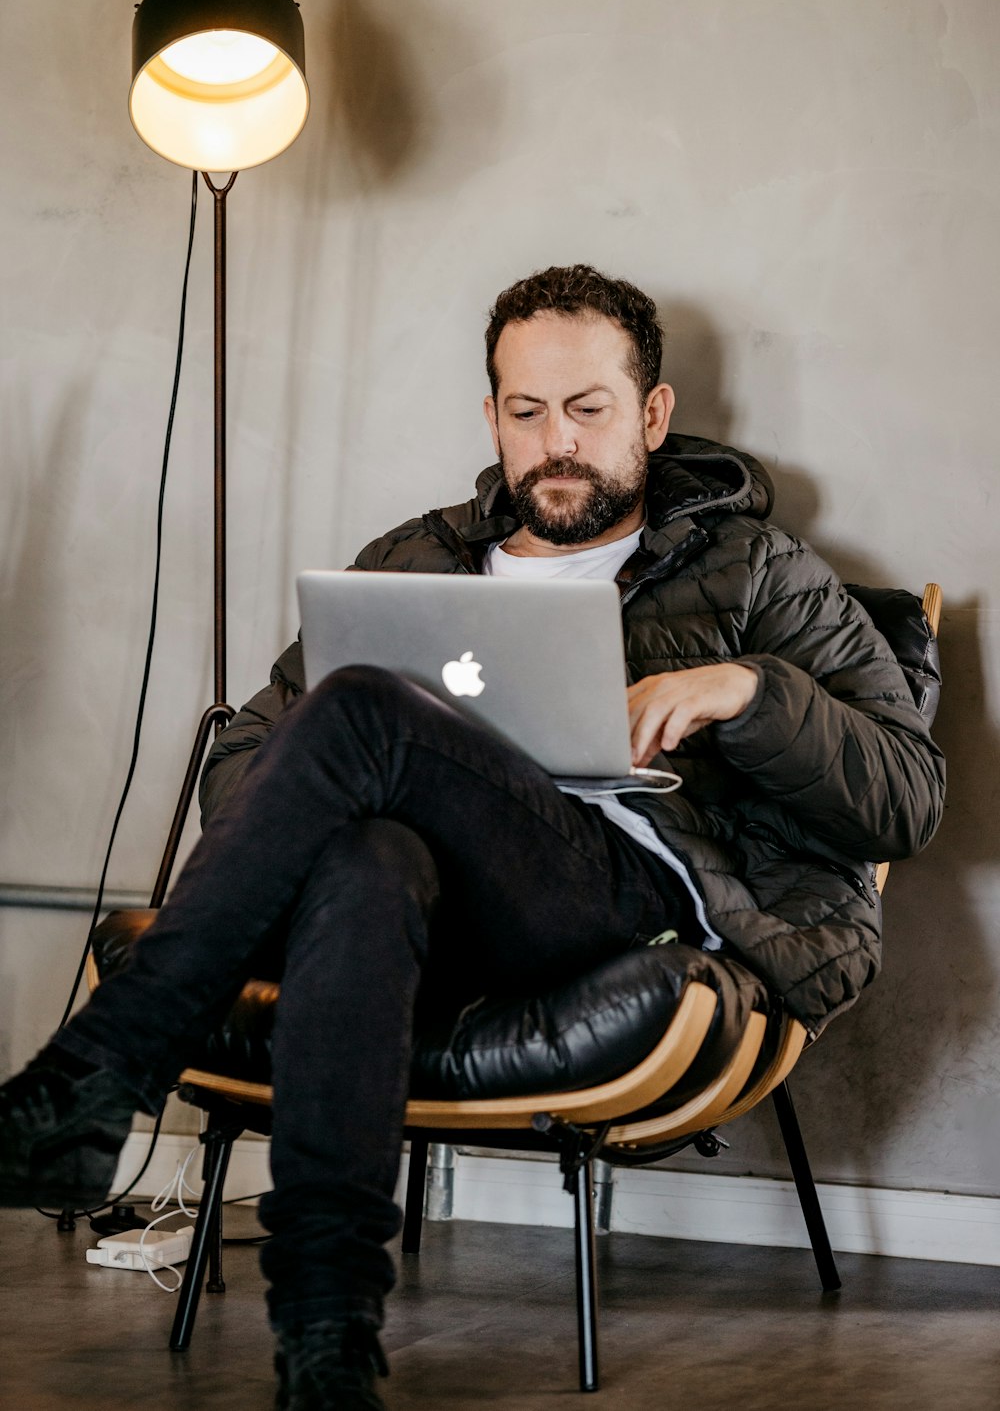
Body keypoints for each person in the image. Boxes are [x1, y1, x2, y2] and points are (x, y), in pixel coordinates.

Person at [0, 265, 944, 1410]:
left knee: (354, 709)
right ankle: (327, 1338)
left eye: (588, 409)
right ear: (491, 415)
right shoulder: (414, 559)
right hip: (422, 907)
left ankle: (95, 1074)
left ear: (651, 412)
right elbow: (252, 752)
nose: (557, 443)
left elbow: (905, 799)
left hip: (615, 897)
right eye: (525, 410)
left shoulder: (761, 572)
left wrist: (748, 691)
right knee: (362, 857)